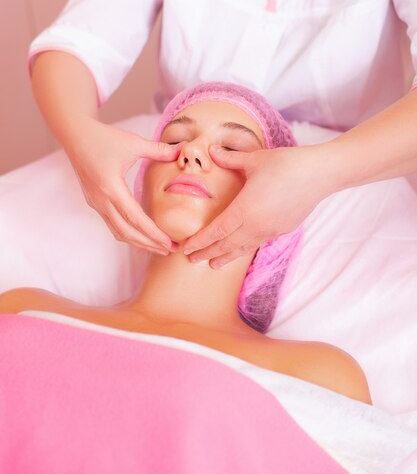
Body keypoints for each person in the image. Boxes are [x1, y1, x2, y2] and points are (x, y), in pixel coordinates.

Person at [27, 0, 417, 269]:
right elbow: (76, 44)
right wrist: (79, 134)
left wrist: (322, 172)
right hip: (185, 191)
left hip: (344, 185)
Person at [0, 82, 372, 405]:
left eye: (233, 149)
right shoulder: (23, 311)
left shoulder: (319, 377)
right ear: (139, 187)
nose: (190, 153)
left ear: (278, 212)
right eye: (174, 140)